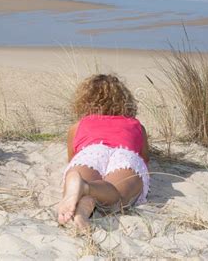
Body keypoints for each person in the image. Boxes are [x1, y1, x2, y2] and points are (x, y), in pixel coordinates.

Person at [57, 74, 150, 230]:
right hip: (124, 154)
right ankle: (86, 188)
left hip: (92, 152)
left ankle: (83, 200)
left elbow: (72, 158)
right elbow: (144, 159)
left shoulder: (79, 125)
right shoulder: (137, 126)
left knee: (83, 179)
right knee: (117, 198)